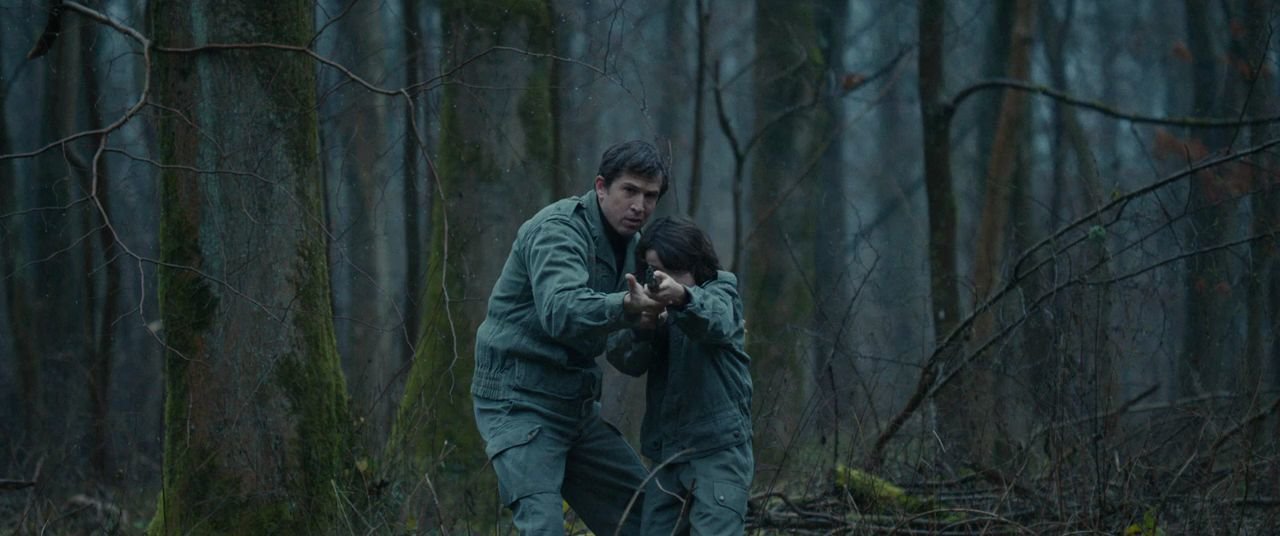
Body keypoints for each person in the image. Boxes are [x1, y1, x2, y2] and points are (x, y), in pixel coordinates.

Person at [471, 140, 669, 535]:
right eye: (629, 190)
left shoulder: (635, 249)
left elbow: (623, 357)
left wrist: (647, 328)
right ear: (601, 187)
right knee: (543, 527)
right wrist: (625, 307)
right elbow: (560, 311)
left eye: (650, 196)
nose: (639, 206)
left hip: (575, 408)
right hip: (518, 402)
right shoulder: (557, 229)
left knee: (653, 521)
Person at [607, 216, 754, 535]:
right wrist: (643, 327)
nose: (664, 280)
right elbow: (624, 358)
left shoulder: (720, 290)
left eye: (674, 270)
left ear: (695, 264)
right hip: (667, 455)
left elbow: (716, 320)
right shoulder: (650, 303)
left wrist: (683, 298)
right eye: (655, 271)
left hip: (717, 451)